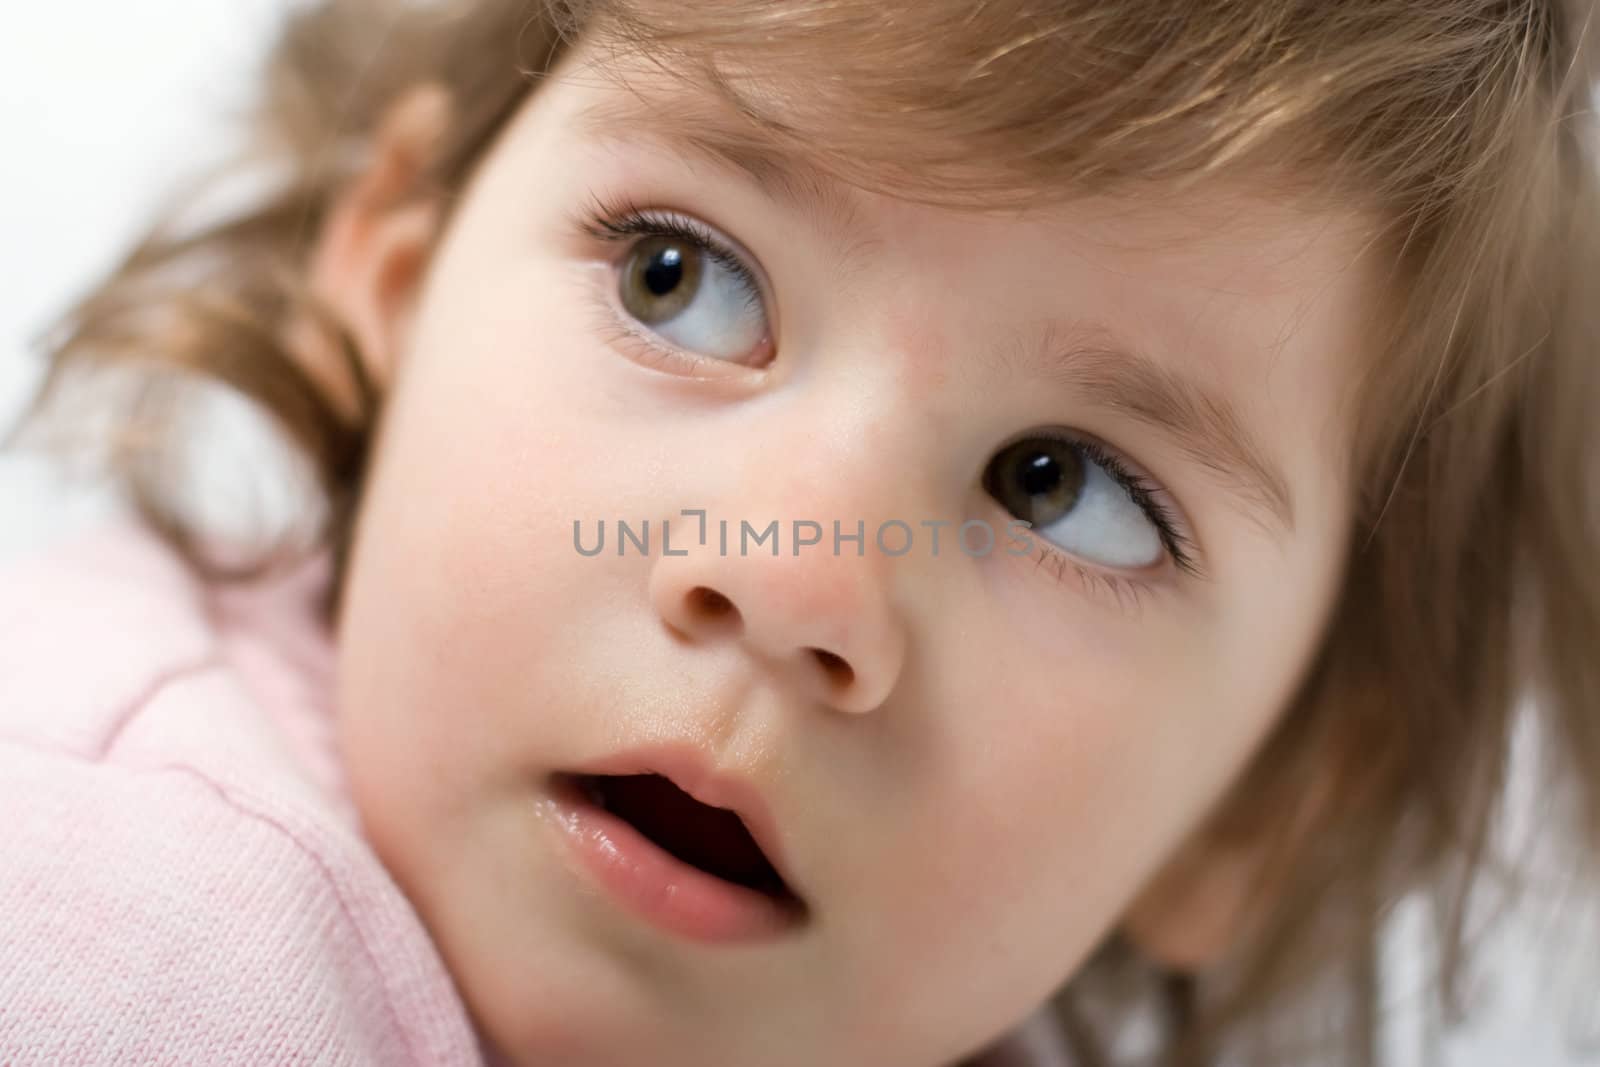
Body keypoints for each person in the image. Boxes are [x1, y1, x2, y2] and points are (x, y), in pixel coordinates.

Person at [4, 1, 1598, 1064]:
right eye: (681, 278)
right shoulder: (138, 938)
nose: (791, 583)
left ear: (1255, 811)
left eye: (1068, 487)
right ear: (399, 281)